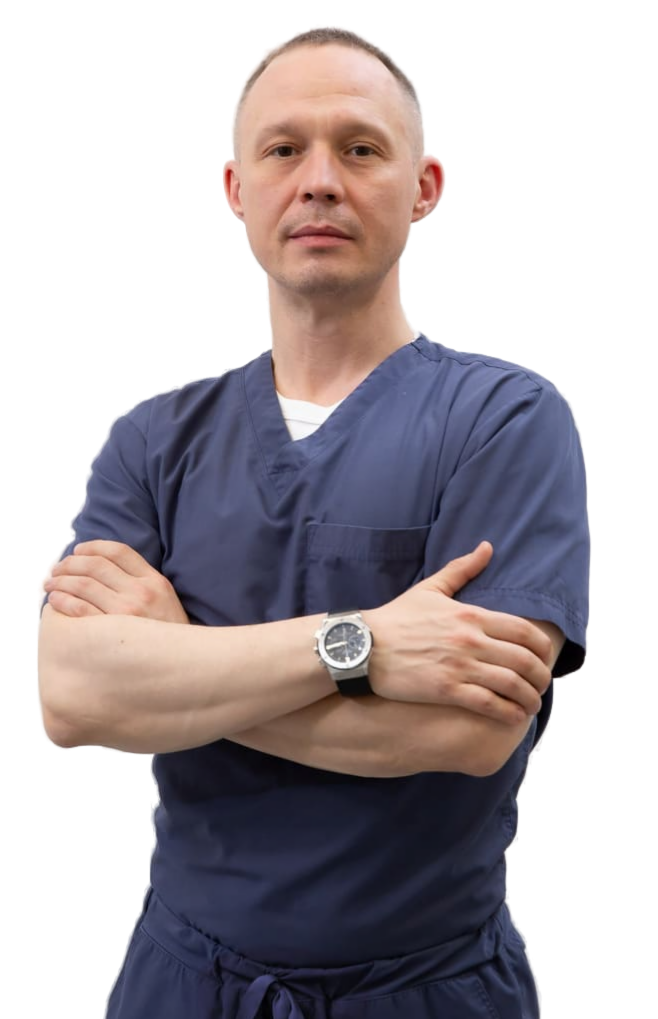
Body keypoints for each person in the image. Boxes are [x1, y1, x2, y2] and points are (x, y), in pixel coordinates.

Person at [36, 25, 590, 1019]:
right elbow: (72, 699)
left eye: (361, 148)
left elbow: (471, 728)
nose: (320, 181)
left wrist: (174, 663)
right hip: (179, 983)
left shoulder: (507, 418)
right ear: (236, 189)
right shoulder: (152, 438)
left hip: (425, 990)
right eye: (284, 149)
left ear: (423, 187)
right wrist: (364, 643)